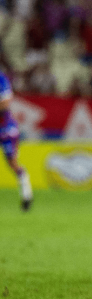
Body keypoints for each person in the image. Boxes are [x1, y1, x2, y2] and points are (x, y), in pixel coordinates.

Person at [0, 71, 33, 211]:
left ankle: (26, 192)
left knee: (12, 162)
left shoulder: (1, 79)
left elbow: (6, 103)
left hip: (6, 128)